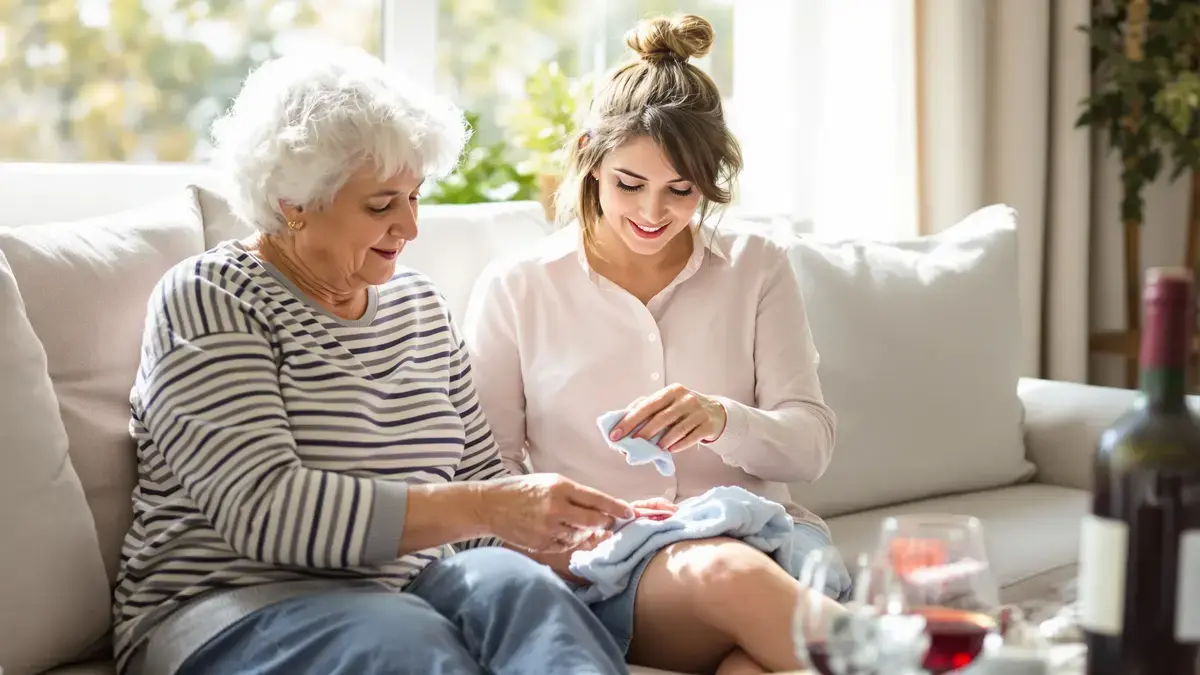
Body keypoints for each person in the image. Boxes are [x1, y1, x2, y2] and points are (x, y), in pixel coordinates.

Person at [112, 47, 638, 675]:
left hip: (401, 596)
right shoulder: (210, 295)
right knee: (407, 637)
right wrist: (491, 505)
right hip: (231, 609)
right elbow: (266, 510)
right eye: (382, 205)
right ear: (293, 202)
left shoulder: (419, 306)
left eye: (416, 196)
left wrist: (575, 534)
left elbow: (480, 498)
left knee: (521, 592)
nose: (411, 227)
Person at [463, 14, 851, 675]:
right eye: (629, 184)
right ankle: (936, 657)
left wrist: (722, 418)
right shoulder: (518, 288)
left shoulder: (757, 265)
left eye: (681, 191)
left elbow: (810, 445)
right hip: (617, 568)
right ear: (590, 157)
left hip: (776, 542)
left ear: (711, 177)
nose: (651, 214)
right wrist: (572, 522)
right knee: (723, 570)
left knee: (749, 667)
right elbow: (486, 480)